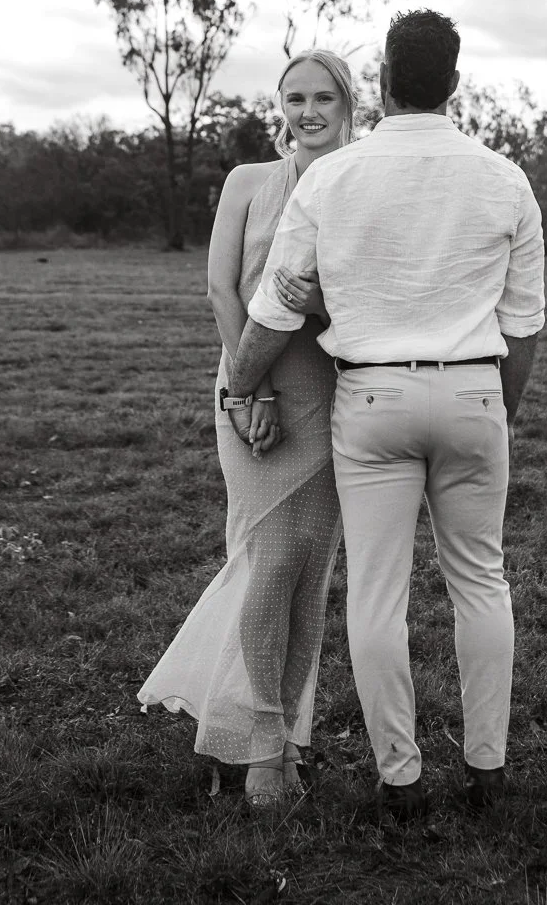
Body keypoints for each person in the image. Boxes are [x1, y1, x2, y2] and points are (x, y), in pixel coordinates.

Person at [223, 9, 545, 821]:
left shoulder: (334, 178)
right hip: (474, 389)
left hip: (370, 399)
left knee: (375, 594)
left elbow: (274, 309)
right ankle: (488, 766)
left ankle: (399, 777)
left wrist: (240, 385)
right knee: (481, 581)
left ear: (386, 86)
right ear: (455, 83)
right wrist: (496, 410)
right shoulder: (505, 178)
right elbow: (525, 325)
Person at [137, 49, 357, 805]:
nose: (308, 111)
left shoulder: (361, 181)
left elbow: (362, 302)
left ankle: (288, 737)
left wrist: (319, 298)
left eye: (324, 97)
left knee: (308, 574)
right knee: (267, 560)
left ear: (349, 103)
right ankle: (263, 745)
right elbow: (221, 286)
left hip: (330, 395)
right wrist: (245, 389)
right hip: (247, 386)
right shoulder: (247, 182)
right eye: (294, 97)